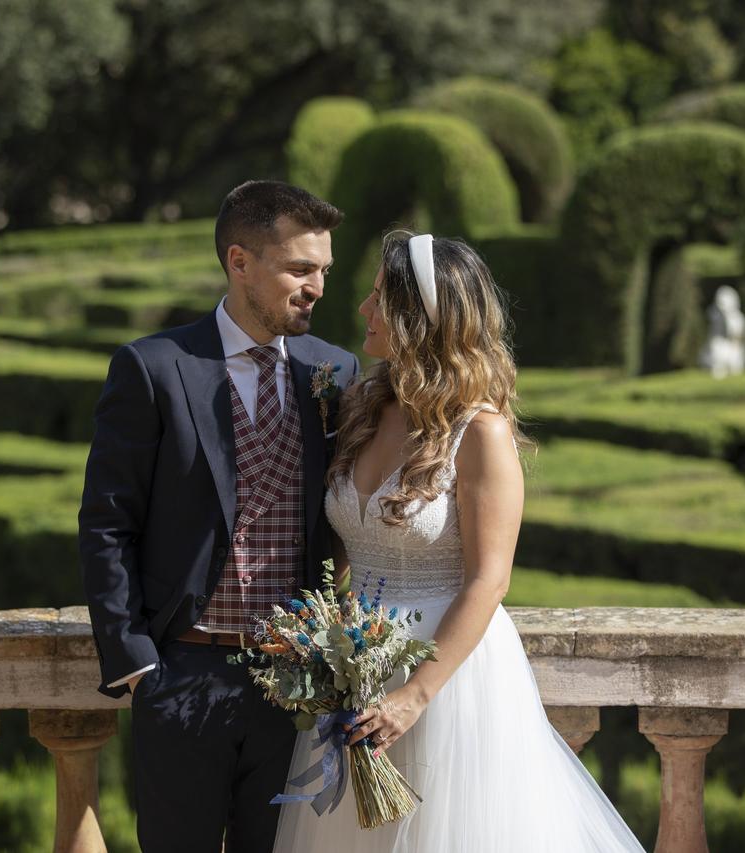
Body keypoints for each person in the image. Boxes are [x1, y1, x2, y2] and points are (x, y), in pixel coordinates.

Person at [272, 230, 645, 852]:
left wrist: (415, 697)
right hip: (355, 666)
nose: (363, 311)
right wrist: (321, 643)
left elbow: (489, 580)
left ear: (420, 319)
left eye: (378, 299)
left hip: (447, 680)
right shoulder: (361, 405)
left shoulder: (481, 432)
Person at [78, 180, 360, 853]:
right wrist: (138, 662)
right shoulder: (154, 367)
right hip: (183, 672)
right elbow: (107, 523)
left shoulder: (335, 371)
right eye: (299, 268)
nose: (317, 286)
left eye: (323, 269)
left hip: (295, 685)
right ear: (239, 262)